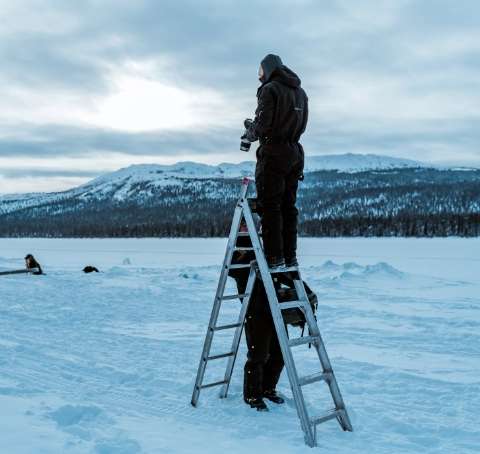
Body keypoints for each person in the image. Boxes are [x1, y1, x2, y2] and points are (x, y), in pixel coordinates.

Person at [242, 53, 308, 269]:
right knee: (288, 207)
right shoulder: (300, 93)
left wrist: (250, 134)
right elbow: (301, 124)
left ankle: (273, 258)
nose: (259, 76)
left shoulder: (270, 90)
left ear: (269, 69)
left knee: (270, 206)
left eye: (261, 71)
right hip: (294, 153)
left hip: (273, 153)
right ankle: (290, 256)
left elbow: (264, 122)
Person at [228, 223, 285, 411]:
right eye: (244, 225)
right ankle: (252, 395)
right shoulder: (237, 245)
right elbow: (233, 270)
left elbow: (281, 271)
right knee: (258, 354)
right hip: (254, 307)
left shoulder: (266, 243)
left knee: (279, 352)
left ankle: (268, 388)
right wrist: (252, 261)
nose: (249, 227)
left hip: (274, 306)